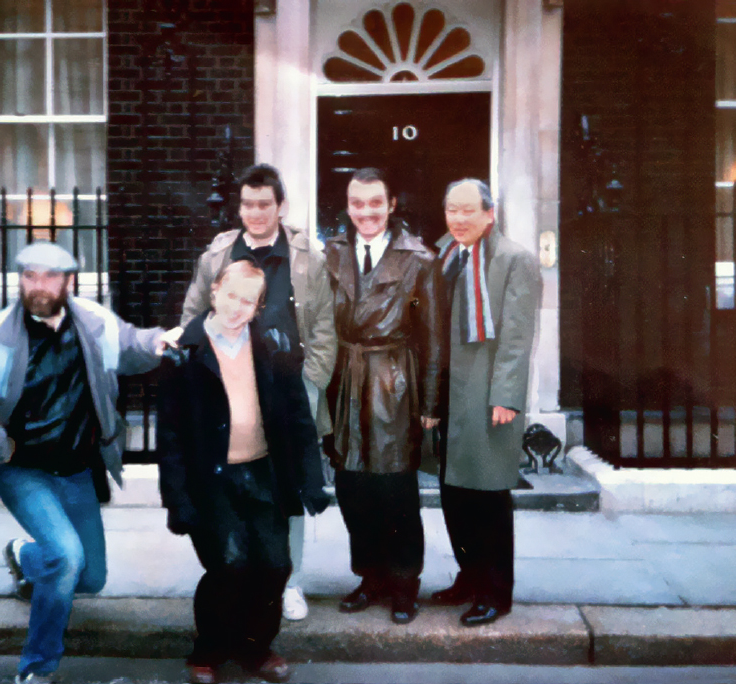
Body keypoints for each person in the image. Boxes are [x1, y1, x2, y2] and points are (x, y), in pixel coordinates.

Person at [0, 241, 180, 684]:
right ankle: (37, 667)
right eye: (29, 276)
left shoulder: (92, 323)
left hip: (76, 470)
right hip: (23, 470)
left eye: (49, 276)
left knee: (90, 577)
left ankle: (23, 556)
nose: (38, 286)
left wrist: (159, 340)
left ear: (69, 281)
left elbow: (132, 346)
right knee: (66, 556)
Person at [159, 260, 329, 684]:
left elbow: (298, 418)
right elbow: (171, 434)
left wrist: (311, 479)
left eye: (248, 301)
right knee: (230, 564)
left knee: (274, 564)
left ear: (258, 307)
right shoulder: (185, 350)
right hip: (211, 480)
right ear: (215, 291)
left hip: (262, 473)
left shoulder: (272, 345)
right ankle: (210, 650)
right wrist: (177, 499)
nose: (237, 307)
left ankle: (257, 648)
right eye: (231, 295)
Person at [181, 163, 336, 621]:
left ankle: (290, 583)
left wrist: (309, 388)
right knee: (237, 493)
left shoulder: (308, 256)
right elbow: (192, 316)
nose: (254, 213)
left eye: (264, 204)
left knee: (286, 494)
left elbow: (325, 328)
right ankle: (242, 579)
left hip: (290, 398)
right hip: (232, 395)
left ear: (280, 206)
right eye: (247, 204)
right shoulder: (218, 257)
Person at [323, 167, 441, 625]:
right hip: (345, 379)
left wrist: (430, 404)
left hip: (395, 381)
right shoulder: (332, 253)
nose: (366, 212)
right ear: (348, 206)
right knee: (352, 489)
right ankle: (369, 576)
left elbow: (431, 336)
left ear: (392, 205)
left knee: (395, 490)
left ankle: (404, 583)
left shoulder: (419, 259)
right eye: (357, 203)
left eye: (376, 202)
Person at [429, 179, 541, 627]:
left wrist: (508, 396)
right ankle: (468, 577)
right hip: (450, 389)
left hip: (487, 389)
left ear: (490, 214)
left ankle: (496, 592)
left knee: (489, 494)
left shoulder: (515, 260)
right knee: (454, 492)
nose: (458, 219)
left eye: (468, 210)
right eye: (451, 210)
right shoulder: (444, 255)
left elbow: (517, 337)